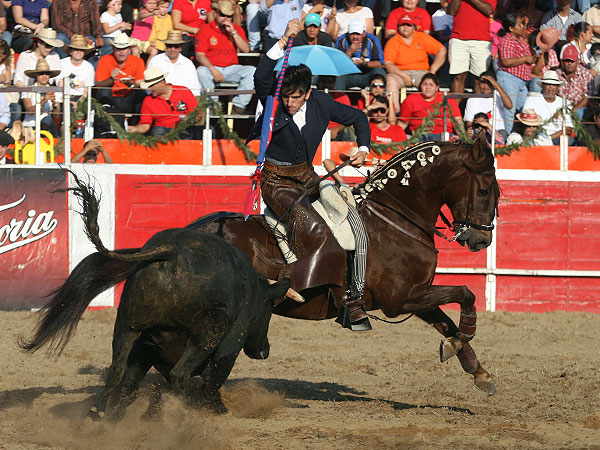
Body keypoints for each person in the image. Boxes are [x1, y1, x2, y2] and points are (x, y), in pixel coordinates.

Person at [249, 19, 371, 329]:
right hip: (276, 182)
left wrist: (363, 149)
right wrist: (283, 39)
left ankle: (355, 294)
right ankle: (293, 287)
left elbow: (358, 117)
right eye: (286, 95)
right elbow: (262, 75)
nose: (289, 102)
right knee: (314, 227)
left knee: (350, 214)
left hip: (307, 177)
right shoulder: (273, 100)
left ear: (308, 92)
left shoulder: (321, 103)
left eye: (295, 96)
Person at [195, 0, 255, 114]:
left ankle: (238, 106)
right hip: (211, 67)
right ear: (216, 13)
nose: (225, 18)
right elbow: (199, 55)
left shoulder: (236, 29)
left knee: (252, 71)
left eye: (229, 16)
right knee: (201, 71)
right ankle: (213, 105)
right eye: (222, 15)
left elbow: (246, 49)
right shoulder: (205, 30)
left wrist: (233, 32)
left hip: (231, 68)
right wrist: (213, 70)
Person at [383, 15, 446, 113]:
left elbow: (442, 50)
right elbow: (388, 64)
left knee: (430, 82)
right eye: (402, 25)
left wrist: (432, 70)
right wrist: (403, 75)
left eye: (408, 25)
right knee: (390, 81)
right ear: (398, 27)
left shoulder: (422, 37)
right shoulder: (393, 41)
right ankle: (395, 113)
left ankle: (431, 113)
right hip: (399, 73)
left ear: (414, 27)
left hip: (421, 72)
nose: (405, 27)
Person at [127, 67, 200, 137]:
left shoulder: (183, 91)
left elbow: (197, 114)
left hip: (184, 129)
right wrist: (133, 129)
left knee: (205, 130)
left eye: (151, 86)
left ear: (161, 82)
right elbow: (145, 125)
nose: (149, 89)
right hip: (162, 132)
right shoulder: (148, 100)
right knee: (158, 130)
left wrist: (189, 119)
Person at [496, 12, 538, 134]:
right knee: (509, 110)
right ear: (511, 28)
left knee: (524, 111)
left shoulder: (520, 39)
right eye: (520, 25)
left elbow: (524, 33)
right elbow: (506, 61)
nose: (522, 27)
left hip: (521, 81)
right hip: (509, 78)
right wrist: (525, 59)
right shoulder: (507, 40)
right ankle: (508, 139)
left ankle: (521, 137)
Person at [95, 32, 145, 129]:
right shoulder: (105, 60)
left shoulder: (137, 61)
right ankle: (106, 127)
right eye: (118, 49)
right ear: (113, 49)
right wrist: (111, 79)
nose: (121, 52)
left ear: (129, 49)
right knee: (103, 92)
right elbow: (99, 85)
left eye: (124, 49)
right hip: (111, 98)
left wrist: (131, 85)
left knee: (142, 94)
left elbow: (140, 84)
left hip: (128, 97)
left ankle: (137, 127)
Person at [447, 0, 496, 94]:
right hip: (458, 38)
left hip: (481, 40)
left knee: (479, 77)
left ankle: (476, 108)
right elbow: (451, 11)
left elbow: (489, 10)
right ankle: (455, 108)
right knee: (458, 76)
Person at [399, 73, 463, 141]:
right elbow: (402, 124)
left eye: (431, 85)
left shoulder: (446, 97)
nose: (428, 87)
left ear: (437, 87)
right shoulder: (411, 99)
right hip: (420, 136)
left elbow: (457, 120)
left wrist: (462, 137)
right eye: (425, 84)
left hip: (444, 136)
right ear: (420, 86)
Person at [522, 70, 573, 145]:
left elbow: (568, 129)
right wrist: (542, 140)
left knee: (568, 141)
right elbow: (526, 125)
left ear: (558, 87)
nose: (551, 87)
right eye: (548, 84)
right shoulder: (531, 100)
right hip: (536, 137)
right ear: (542, 85)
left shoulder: (565, 102)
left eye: (554, 85)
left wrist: (548, 139)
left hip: (557, 138)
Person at [334, 19, 385, 91]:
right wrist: (349, 52)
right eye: (352, 34)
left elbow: (380, 63)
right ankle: (338, 99)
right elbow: (337, 65)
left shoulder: (372, 40)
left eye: (358, 34)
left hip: (367, 75)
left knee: (379, 72)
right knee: (338, 75)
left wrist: (365, 63)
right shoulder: (341, 40)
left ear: (364, 33)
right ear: (348, 33)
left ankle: (380, 100)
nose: (355, 37)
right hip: (347, 75)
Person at [146, 30, 201, 96]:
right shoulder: (155, 61)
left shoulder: (188, 64)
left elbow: (195, 88)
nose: (172, 49)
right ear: (166, 46)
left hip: (183, 99)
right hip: (160, 99)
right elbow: (148, 85)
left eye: (176, 46)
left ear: (181, 48)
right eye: (170, 46)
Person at [463, 70, 512, 139]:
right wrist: (470, 129)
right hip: (479, 131)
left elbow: (509, 106)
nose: (485, 86)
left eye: (489, 83)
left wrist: (497, 85)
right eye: (483, 83)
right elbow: (469, 122)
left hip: (498, 131)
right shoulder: (472, 99)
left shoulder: (498, 96)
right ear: (479, 83)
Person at [22, 58, 61, 137]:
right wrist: (43, 101)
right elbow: (30, 111)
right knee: (47, 120)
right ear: (36, 75)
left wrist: (54, 103)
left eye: (47, 73)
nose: (44, 76)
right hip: (31, 124)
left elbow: (57, 115)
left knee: (47, 119)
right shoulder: (28, 90)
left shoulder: (54, 90)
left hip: (48, 124)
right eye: (41, 73)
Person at [556, 44, 595, 119]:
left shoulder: (586, 74)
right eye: (567, 60)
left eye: (572, 61)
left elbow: (587, 98)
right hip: (560, 108)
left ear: (577, 61)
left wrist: (572, 111)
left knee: (579, 113)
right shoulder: (557, 74)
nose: (569, 63)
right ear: (562, 61)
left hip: (579, 108)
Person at [57, 35, 96, 109]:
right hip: (64, 97)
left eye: (81, 50)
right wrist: (66, 101)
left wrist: (79, 103)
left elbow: (87, 90)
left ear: (84, 52)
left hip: (81, 98)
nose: (79, 52)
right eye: (76, 49)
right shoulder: (61, 64)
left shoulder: (89, 67)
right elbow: (60, 85)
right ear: (71, 51)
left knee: (92, 106)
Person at [530, 28, 560, 93]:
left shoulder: (552, 53)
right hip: (535, 80)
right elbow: (535, 71)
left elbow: (552, 73)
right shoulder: (533, 52)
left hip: (548, 80)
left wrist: (540, 76)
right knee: (536, 83)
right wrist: (541, 57)